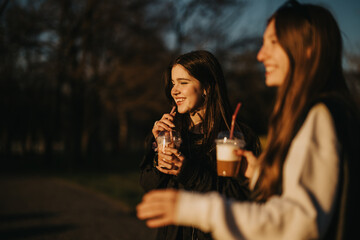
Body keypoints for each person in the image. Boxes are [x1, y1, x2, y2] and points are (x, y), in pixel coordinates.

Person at [137, 1, 360, 239]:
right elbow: (300, 200)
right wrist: (259, 176)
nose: (260, 54)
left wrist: (191, 205)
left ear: (307, 48)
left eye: (273, 42)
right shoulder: (332, 111)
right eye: (173, 84)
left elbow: (298, 223)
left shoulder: (318, 116)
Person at [139, 50, 261, 240]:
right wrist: (158, 158)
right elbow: (148, 186)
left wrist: (188, 172)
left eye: (183, 82)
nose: (174, 90)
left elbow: (241, 198)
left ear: (207, 87)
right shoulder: (168, 133)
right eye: (173, 83)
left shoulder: (237, 137)